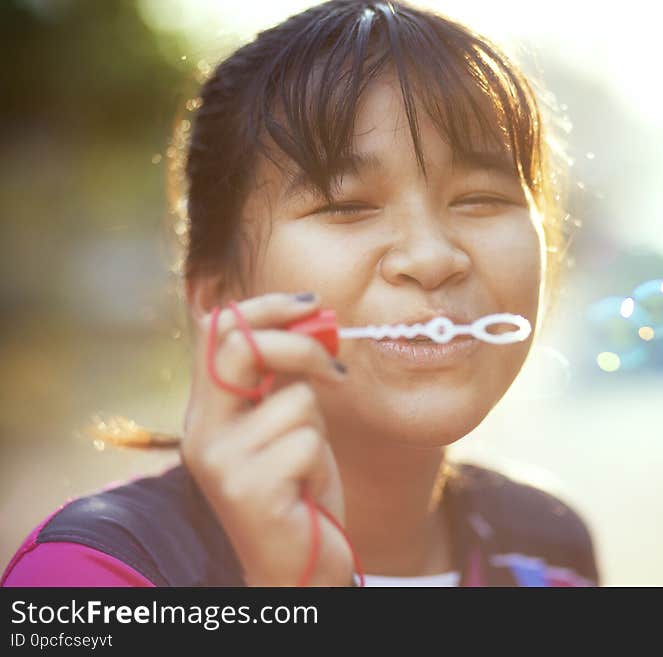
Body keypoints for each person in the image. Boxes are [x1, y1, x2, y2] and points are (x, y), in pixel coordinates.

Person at [2, 0, 599, 587]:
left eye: (480, 199)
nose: (433, 258)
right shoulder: (90, 574)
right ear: (218, 296)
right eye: (346, 206)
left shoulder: (549, 549)